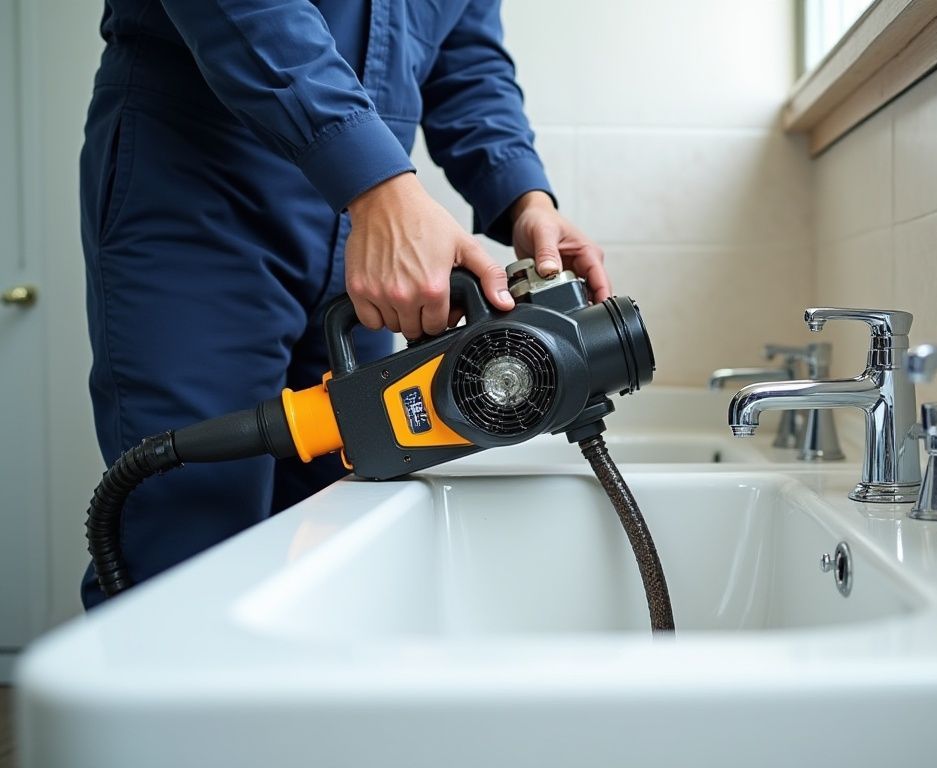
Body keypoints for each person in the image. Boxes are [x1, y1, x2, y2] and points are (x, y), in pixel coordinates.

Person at [78, 0, 608, 609]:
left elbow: (468, 59)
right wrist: (378, 187)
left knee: (336, 542)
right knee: (191, 537)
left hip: (358, 228)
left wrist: (525, 199)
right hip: (204, 193)